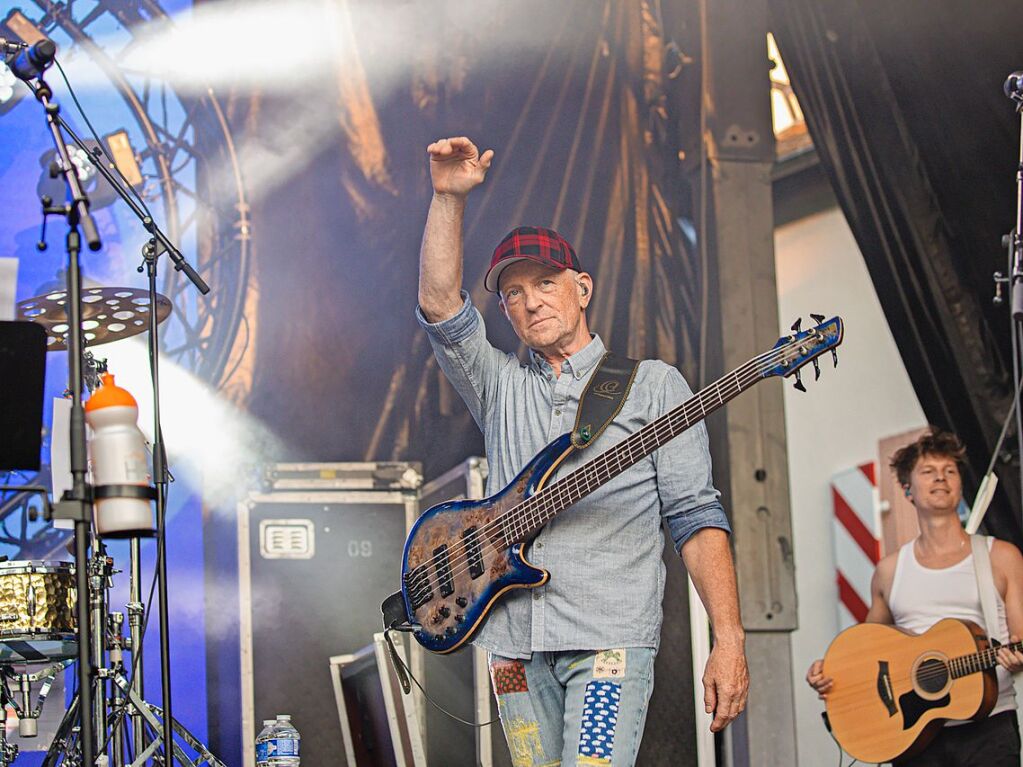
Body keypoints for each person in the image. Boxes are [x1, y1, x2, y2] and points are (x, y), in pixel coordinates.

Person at [416, 135, 748, 766]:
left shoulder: (652, 387)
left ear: (582, 288)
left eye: (545, 282)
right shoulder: (499, 385)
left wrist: (728, 638)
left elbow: (695, 518)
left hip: (608, 643)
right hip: (512, 648)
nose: (530, 300)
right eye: (512, 293)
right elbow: (439, 305)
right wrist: (447, 198)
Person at [806, 428, 1023, 766]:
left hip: (989, 725)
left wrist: (1016, 655)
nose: (941, 477)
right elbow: (863, 649)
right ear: (907, 490)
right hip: (911, 733)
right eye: (928, 471)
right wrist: (830, 674)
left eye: (950, 470)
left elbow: (1019, 638)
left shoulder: (1000, 556)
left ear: (960, 484)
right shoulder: (890, 570)